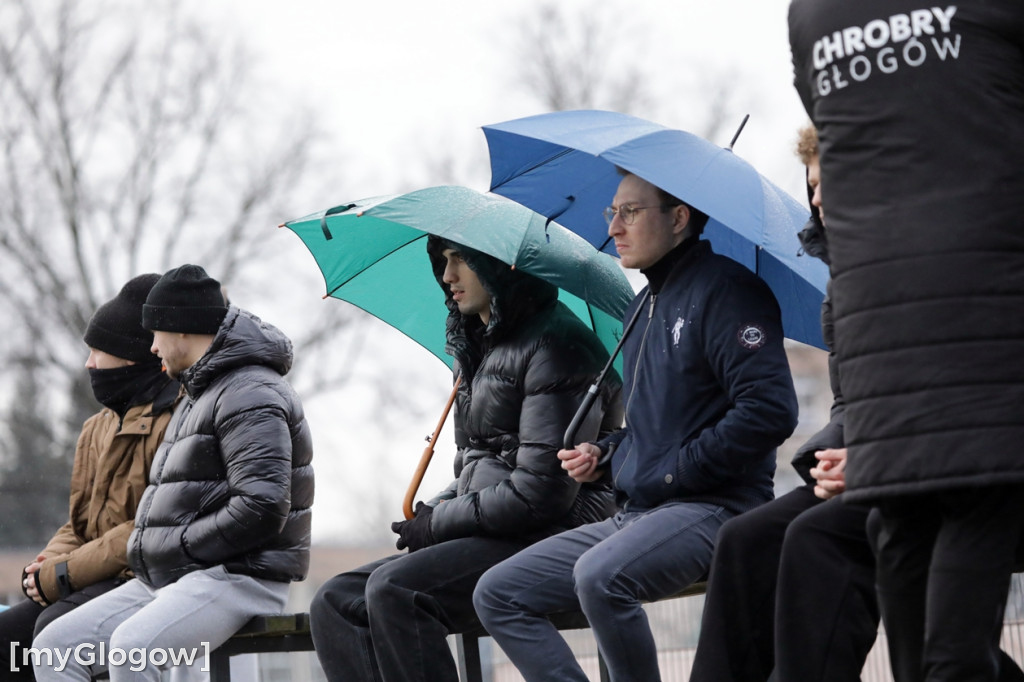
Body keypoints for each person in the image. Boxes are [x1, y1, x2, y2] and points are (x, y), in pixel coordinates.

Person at [474, 171, 799, 682]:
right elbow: (654, 430)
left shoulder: (728, 290)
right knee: (497, 592)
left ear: (678, 218)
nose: (615, 227)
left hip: (717, 508)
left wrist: (675, 471)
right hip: (641, 513)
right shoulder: (641, 307)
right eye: (612, 212)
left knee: (599, 576)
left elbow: (770, 410)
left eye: (630, 211)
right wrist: (605, 456)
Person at [789, 3, 1024, 680]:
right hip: (976, 335)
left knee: (925, 647)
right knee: (948, 654)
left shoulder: (811, 16)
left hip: (891, 338)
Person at [309, 236, 623, 682]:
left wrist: (438, 523)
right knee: (335, 601)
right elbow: (478, 464)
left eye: (462, 261)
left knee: (397, 590)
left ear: (499, 267)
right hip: (499, 526)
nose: (446, 276)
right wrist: (435, 509)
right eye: (443, 261)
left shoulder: (558, 347)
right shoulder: (482, 348)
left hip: (556, 531)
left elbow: (541, 492)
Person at [32, 264, 314, 681]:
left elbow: (263, 504)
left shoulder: (250, 391)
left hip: (240, 578)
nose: (152, 347)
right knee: (51, 649)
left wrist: (178, 545)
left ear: (182, 330)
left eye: (156, 333)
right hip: (178, 576)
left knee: (132, 649)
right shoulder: (198, 391)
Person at [689, 124, 879, 682]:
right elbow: (851, 405)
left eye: (829, 182)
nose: (816, 198)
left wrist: (868, 458)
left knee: (812, 538)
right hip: (873, 465)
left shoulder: (913, 263)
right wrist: (836, 453)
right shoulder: (843, 285)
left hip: (926, 469)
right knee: (746, 539)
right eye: (812, 185)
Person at [0, 274, 179, 679]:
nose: (89, 364)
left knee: (49, 637)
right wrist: (48, 561)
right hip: (91, 575)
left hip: (136, 576)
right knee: (7, 636)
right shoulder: (95, 428)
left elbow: (147, 527)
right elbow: (80, 521)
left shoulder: (173, 421)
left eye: (98, 351)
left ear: (131, 357)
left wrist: (63, 573)